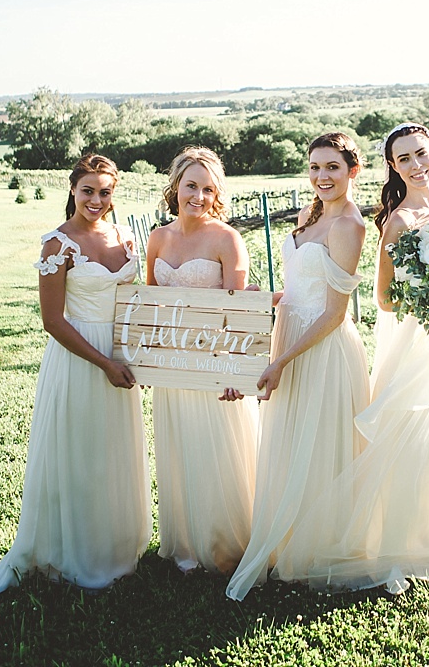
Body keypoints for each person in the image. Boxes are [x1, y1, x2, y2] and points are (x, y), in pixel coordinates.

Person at [275, 122, 429, 594]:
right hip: (418, 345)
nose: (416, 166)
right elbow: (384, 299)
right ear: (393, 168)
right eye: (404, 160)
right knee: (416, 447)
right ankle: (407, 546)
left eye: (421, 154)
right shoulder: (396, 221)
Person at [0, 154, 151, 595]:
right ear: (73, 191)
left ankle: (116, 547)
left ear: (115, 194)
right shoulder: (58, 245)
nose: (96, 199)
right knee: (81, 454)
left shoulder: (126, 238)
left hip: (121, 354)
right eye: (88, 191)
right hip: (80, 357)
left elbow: (138, 301)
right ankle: (77, 554)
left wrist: (139, 355)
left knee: (114, 451)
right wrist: (105, 363)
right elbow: (53, 322)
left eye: (105, 191)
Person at [225, 132, 370, 601]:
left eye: (332, 167)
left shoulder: (349, 225)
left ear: (353, 170)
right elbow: (297, 289)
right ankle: (286, 540)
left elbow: (333, 313)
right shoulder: (313, 214)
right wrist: (261, 303)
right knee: (291, 440)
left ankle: (317, 547)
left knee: (320, 443)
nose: (322, 176)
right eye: (314, 167)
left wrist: (281, 360)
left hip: (321, 349)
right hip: (290, 336)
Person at [146, 147, 259, 575]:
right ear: (175, 186)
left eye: (208, 188)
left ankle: (229, 545)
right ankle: (189, 543)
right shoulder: (158, 238)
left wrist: (236, 372)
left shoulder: (227, 239)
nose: (198, 195)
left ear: (217, 194)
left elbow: (240, 314)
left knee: (219, 454)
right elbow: (151, 309)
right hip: (173, 370)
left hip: (217, 368)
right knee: (182, 451)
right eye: (191, 185)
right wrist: (146, 362)